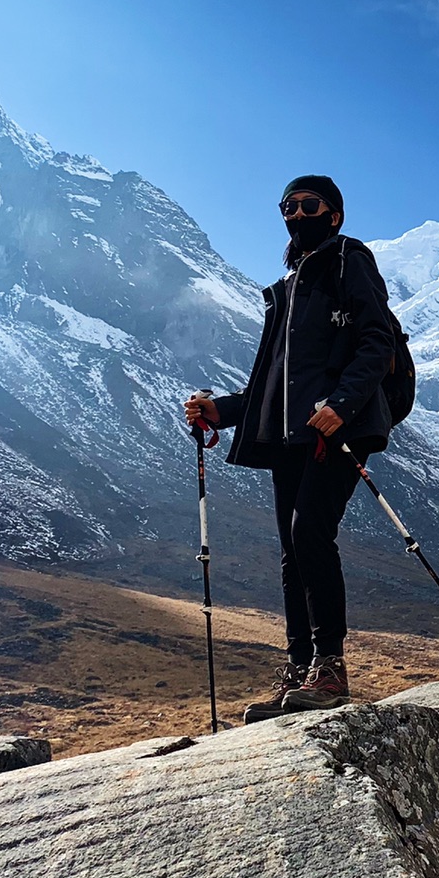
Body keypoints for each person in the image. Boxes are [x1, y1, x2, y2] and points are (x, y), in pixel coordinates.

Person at [185, 174, 396, 718]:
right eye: (288, 206)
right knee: (292, 553)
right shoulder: (288, 287)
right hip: (290, 437)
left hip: (336, 432)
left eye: (309, 205)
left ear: (335, 215)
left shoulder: (351, 260)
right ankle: (299, 671)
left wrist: (343, 406)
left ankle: (329, 668)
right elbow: (276, 381)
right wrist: (224, 412)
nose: (297, 214)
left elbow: (378, 341)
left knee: (309, 535)